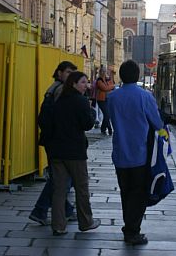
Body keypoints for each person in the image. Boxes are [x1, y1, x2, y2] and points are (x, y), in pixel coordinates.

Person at [108, 59, 163, 245]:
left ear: (121, 76)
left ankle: (128, 226)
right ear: (137, 75)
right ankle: (132, 231)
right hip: (140, 154)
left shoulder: (113, 97)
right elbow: (157, 123)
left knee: (125, 192)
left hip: (120, 153)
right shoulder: (145, 96)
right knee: (138, 194)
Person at [49, 71, 101, 236]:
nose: (87, 85)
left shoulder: (58, 100)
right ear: (73, 84)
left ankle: (58, 225)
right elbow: (87, 125)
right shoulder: (81, 101)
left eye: (87, 82)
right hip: (75, 152)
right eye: (83, 82)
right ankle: (86, 222)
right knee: (81, 187)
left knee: (59, 189)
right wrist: (92, 114)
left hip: (57, 151)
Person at [29, 61, 77, 226]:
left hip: (52, 139)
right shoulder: (60, 90)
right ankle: (40, 210)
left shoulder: (53, 88)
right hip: (58, 141)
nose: (70, 76)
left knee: (59, 178)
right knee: (61, 179)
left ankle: (65, 210)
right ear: (59, 73)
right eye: (68, 72)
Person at [96, 66, 115, 135]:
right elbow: (105, 88)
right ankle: (109, 129)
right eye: (103, 71)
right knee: (107, 114)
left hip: (107, 99)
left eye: (105, 71)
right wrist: (111, 87)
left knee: (108, 115)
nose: (104, 73)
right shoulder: (99, 80)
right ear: (100, 72)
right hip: (101, 100)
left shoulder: (106, 79)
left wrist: (111, 76)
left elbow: (111, 85)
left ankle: (103, 129)